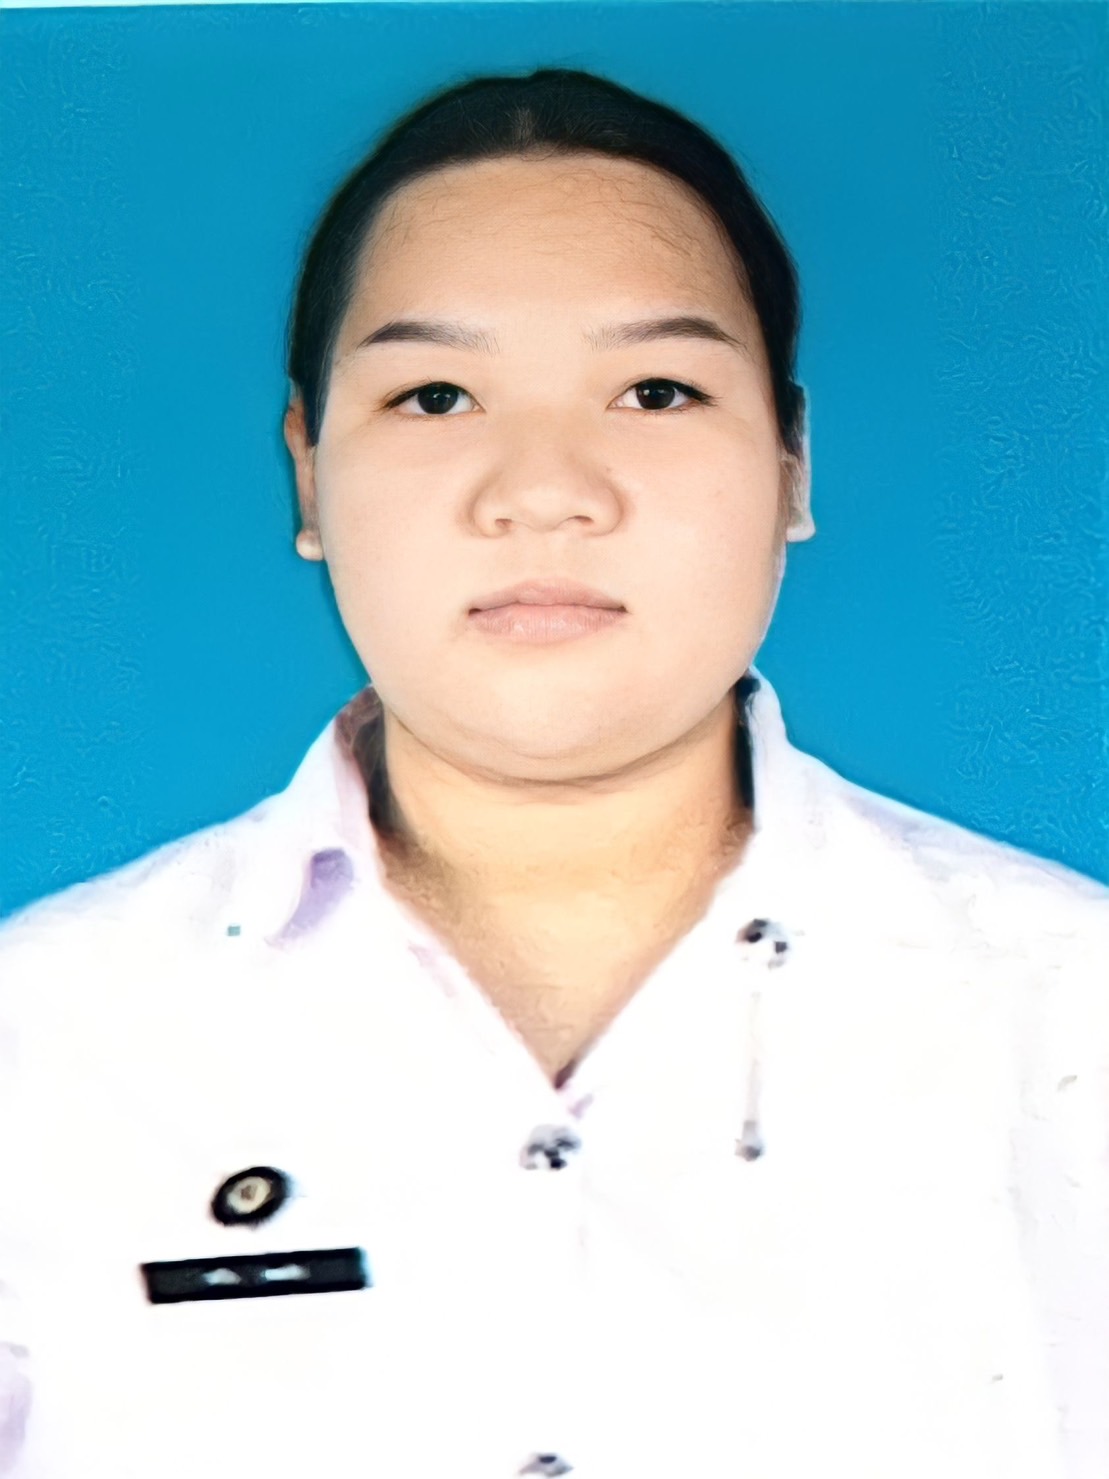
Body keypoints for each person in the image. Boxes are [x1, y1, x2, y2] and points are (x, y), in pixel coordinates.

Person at [1, 65, 1106, 1479]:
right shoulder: (45, 1040)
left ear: (791, 461)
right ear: (308, 474)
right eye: (435, 395)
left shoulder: (1069, 1014)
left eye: (655, 390)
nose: (542, 490)